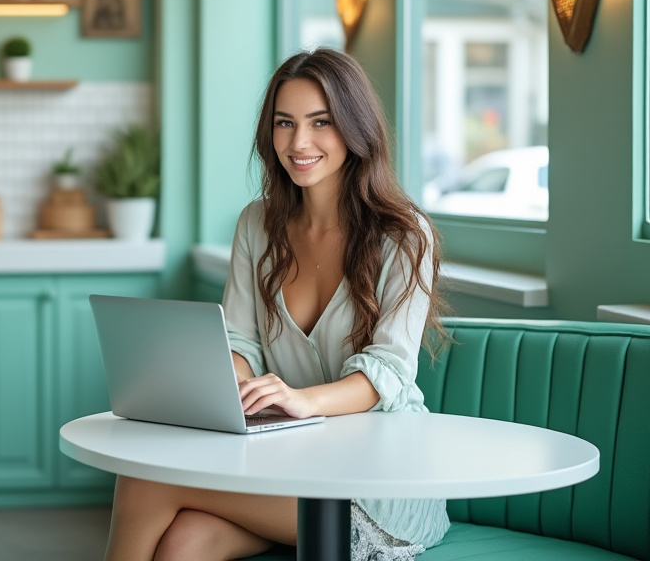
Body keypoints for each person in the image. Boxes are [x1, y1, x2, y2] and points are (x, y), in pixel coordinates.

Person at [103, 48, 451, 561]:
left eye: (321, 123)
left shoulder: (403, 236)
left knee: (145, 481)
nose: (299, 142)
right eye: (284, 123)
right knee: (182, 545)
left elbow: (388, 373)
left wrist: (301, 400)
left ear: (355, 130)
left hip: (378, 482)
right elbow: (240, 340)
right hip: (285, 464)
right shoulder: (256, 225)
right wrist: (227, 383)